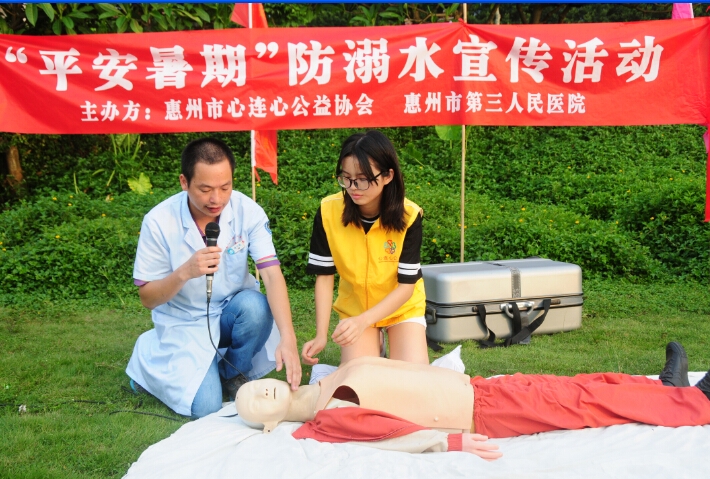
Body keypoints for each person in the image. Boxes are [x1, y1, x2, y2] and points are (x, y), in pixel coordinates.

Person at [236, 342, 710, 460]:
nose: (259, 391)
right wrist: (449, 443)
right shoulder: (327, 417)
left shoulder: (324, 379)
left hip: (481, 388)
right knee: (582, 403)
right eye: (255, 403)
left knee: (577, 384)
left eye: (254, 386)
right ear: (268, 425)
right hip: (482, 413)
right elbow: (385, 436)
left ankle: (663, 389)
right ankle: (696, 403)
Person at [126, 137, 301, 419]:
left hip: (231, 312)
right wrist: (184, 272)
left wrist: (289, 339)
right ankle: (148, 354)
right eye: (205, 189)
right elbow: (147, 297)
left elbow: (271, 274)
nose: (216, 199)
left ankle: (232, 372)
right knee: (206, 407)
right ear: (184, 182)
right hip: (183, 321)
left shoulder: (248, 211)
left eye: (225, 187)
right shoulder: (158, 221)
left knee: (256, 306)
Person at [302, 130, 428, 367]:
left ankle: (382, 339)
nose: (353, 187)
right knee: (361, 378)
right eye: (346, 178)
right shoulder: (328, 211)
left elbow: (406, 287)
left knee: (412, 377)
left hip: (402, 308)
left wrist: (364, 321)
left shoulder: (409, 215)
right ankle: (373, 343)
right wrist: (320, 335)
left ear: (388, 175)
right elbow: (325, 277)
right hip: (356, 310)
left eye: (362, 179)